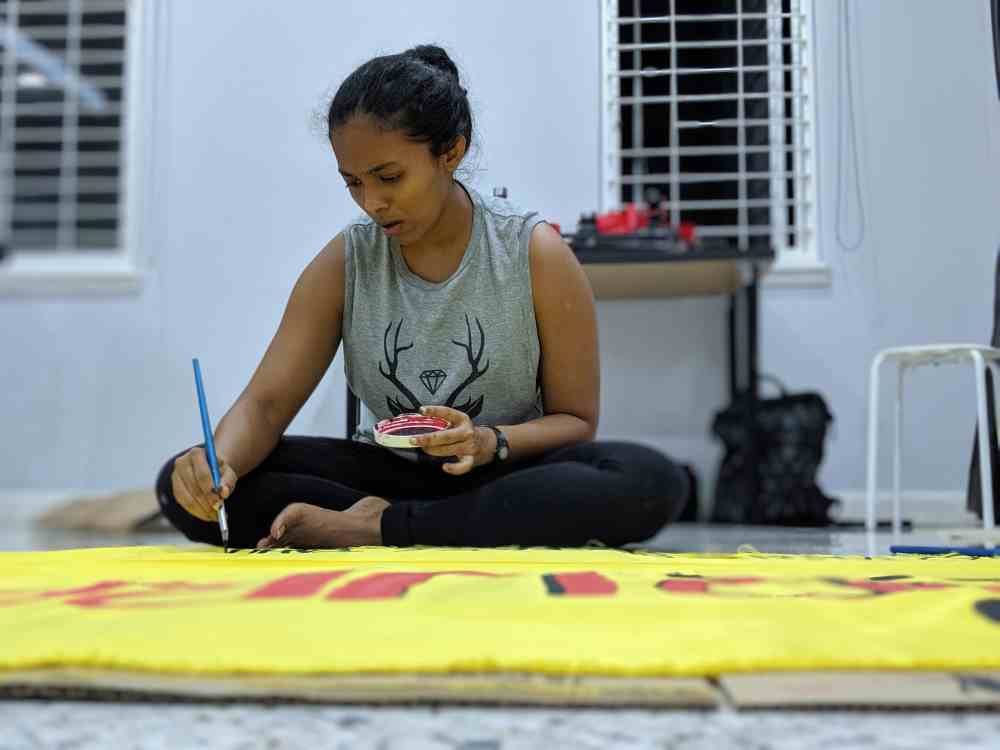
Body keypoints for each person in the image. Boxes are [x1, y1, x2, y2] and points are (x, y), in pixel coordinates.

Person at [156, 44, 690, 550]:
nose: (373, 202)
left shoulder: (534, 253)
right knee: (182, 485)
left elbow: (575, 421)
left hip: (499, 471)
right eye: (353, 183)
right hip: (388, 475)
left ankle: (378, 529)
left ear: (450, 152)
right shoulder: (346, 262)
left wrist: (489, 442)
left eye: (389, 177)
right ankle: (398, 522)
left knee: (647, 479)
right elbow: (266, 405)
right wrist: (215, 462)